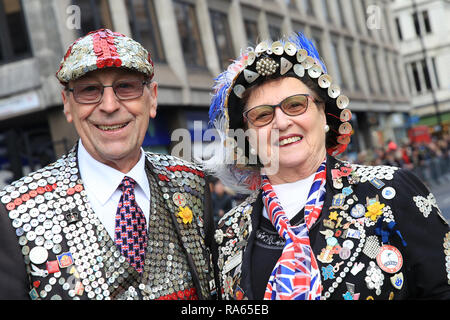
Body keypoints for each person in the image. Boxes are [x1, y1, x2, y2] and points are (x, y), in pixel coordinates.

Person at [203, 33, 450, 300]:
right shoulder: (227, 233)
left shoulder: (392, 191)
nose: (282, 123)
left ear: (324, 115)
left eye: (295, 105)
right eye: (262, 115)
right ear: (248, 136)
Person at [0, 29, 216, 300]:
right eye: (89, 90)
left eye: (126, 86)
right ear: (67, 104)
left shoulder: (191, 184)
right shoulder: (14, 213)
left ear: (153, 98)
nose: (110, 105)